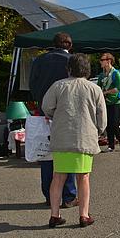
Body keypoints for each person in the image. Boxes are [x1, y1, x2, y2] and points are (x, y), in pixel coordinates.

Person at [41, 54, 106, 228]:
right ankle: (84, 215)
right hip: (84, 138)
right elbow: (102, 116)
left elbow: (46, 107)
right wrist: (98, 131)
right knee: (83, 177)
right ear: (87, 69)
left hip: (61, 137)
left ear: (69, 68)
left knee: (58, 176)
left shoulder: (58, 86)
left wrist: (57, 116)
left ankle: (55, 215)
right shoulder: (94, 89)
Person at [29, 32, 78, 208]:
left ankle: (49, 195)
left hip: (43, 110)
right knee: (67, 152)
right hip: (66, 112)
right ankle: (68, 195)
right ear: (69, 45)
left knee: (47, 153)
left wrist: (40, 101)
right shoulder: (71, 61)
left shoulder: (40, 60)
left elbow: (32, 85)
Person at [97, 53, 120, 152]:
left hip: (115, 101)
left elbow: (119, 88)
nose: (100, 61)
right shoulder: (101, 75)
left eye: (102, 59)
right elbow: (98, 87)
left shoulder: (115, 73)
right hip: (105, 102)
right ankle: (111, 145)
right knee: (107, 124)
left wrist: (106, 92)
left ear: (108, 61)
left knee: (114, 123)